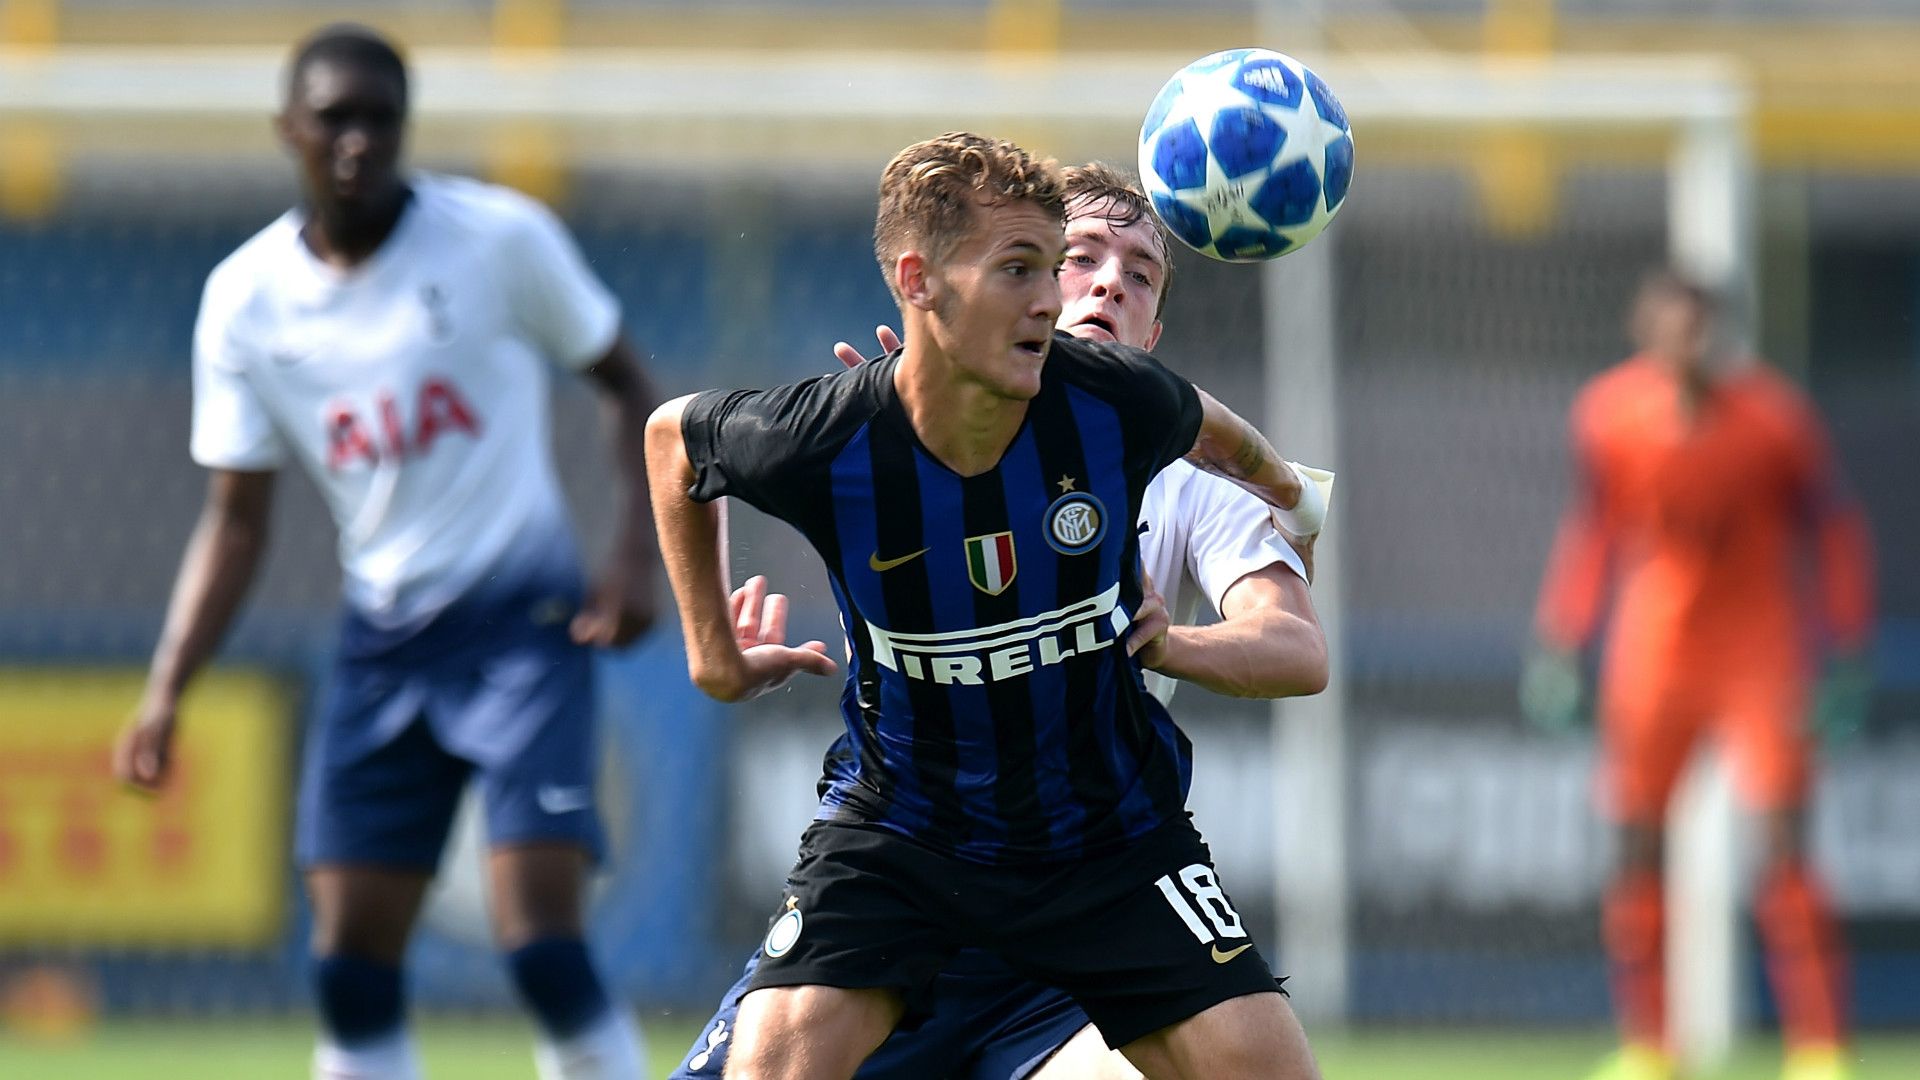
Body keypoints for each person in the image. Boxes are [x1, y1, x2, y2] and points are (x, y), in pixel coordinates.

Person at [648, 132, 1324, 1080]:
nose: (1078, 291)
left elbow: (1228, 463)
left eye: (1136, 274)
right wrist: (714, 655)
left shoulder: (1127, 411)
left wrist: (1287, 498)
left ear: (1154, 331)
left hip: (1103, 847)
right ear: (925, 288)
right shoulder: (842, 431)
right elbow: (673, 441)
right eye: (1054, 263)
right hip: (905, 845)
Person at [110, 24, 655, 1080]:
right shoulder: (246, 299)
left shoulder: (498, 239)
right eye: (333, 118)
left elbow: (629, 386)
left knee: (541, 943)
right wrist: (167, 689)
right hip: (386, 638)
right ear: (288, 129)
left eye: (380, 118)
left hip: (523, 626)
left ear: (407, 128)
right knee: (350, 968)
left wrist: (635, 554)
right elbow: (236, 519)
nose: (356, 140)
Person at [1523, 268, 1875, 1080]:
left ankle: (1820, 1048)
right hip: (1654, 653)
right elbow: (1595, 530)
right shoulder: (1610, 416)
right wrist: (1561, 638)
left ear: (1722, 336)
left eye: (1700, 329)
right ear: (1644, 333)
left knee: (1784, 847)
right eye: (1671, 329)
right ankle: (1650, 1047)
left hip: (1759, 651)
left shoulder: (1776, 422)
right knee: (1634, 846)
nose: (1686, 345)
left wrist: (1847, 648)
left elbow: (1835, 530)